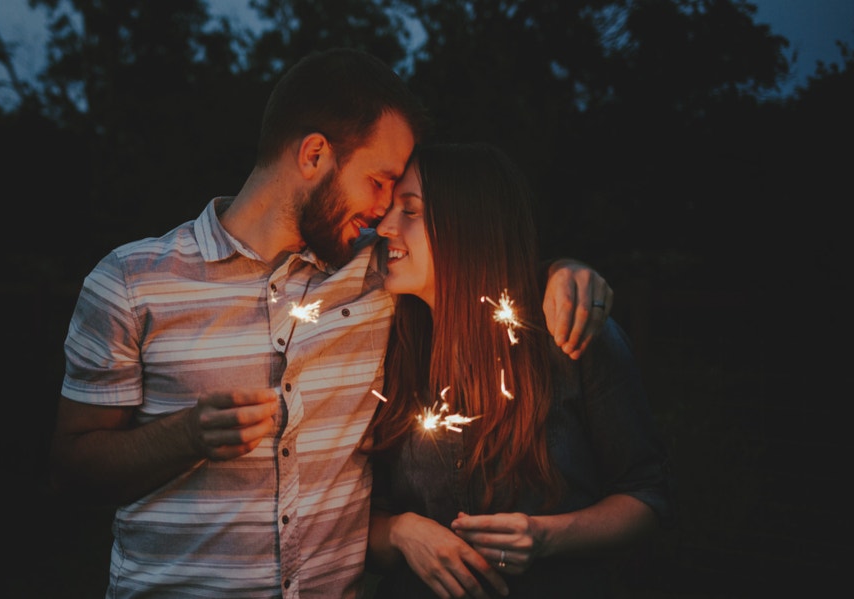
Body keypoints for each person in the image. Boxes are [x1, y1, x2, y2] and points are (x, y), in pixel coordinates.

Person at [51, 48, 615, 599]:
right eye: (379, 180)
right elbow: (75, 465)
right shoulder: (131, 280)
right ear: (315, 154)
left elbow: (472, 263)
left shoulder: (377, 273)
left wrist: (562, 271)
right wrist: (187, 436)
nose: (385, 209)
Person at [362, 142, 673, 599]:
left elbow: (648, 497)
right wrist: (401, 532)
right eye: (390, 209)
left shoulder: (570, 337)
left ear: (469, 227)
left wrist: (546, 536)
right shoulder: (387, 348)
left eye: (410, 210)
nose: (385, 227)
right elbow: (356, 510)